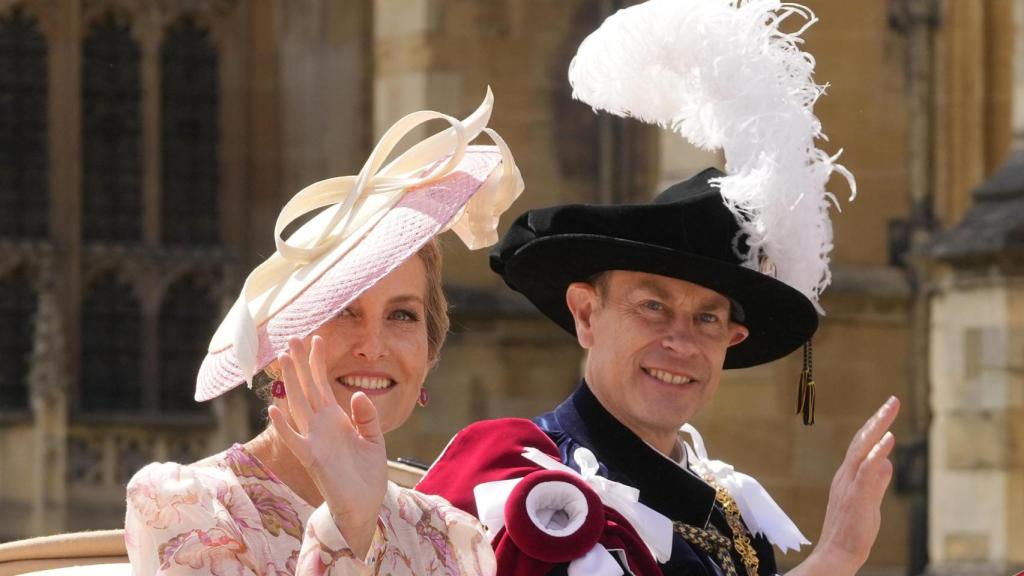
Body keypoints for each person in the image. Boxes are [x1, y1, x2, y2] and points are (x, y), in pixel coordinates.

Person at [417, 2, 898, 575]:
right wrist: (834, 558)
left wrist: (840, 554)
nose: (681, 342)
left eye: (707, 319)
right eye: (652, 306)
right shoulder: (518, 487)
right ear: (586, 315)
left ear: (731, 340)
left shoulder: (729, 515)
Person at [124, 90, 523, 576]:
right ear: (276, 351)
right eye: (342, 312)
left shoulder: (451, 537)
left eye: (402, 316)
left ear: (428, 351)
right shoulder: (189, 508)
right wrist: (347, 525)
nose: (373, 346)